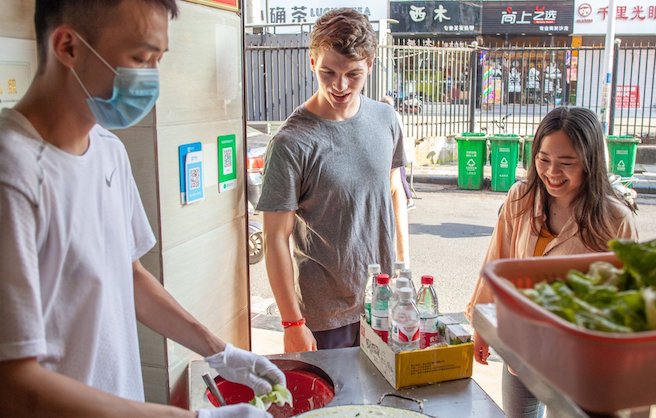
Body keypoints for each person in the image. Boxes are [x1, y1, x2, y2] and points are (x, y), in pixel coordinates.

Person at [0, 1, 284, 417]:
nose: (150, 79)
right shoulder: (13, 174)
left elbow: (128, 274)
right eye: (139, 58)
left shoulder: (109, 153)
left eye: (158, 60)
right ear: (68, 46)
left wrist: (220, 352)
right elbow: (15, 384)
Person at [465, 107, 638, 418]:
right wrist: (482, 327)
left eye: (566, 163)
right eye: (543, 160)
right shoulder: (521, 198)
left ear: (589, 162)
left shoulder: (615, 220)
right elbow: (496, 261)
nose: (552, 173)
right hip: (522, 349)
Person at [257, 9, 407, 352]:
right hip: (325, 318)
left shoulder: (385, 119)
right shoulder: (291, 143)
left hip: (384, 303)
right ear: (312, 62)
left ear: (370, 64)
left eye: (353, 74)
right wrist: (292, 323)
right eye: (328, 72)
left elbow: (394, 191)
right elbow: (275, 238)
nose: (340, 86)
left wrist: (404, 270)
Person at [380, 95, 415, 211]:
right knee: (399, 176)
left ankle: (409, 199)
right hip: (396, 149)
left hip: (395, 150)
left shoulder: (390, 116)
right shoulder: (395, 115)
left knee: (399, 177)